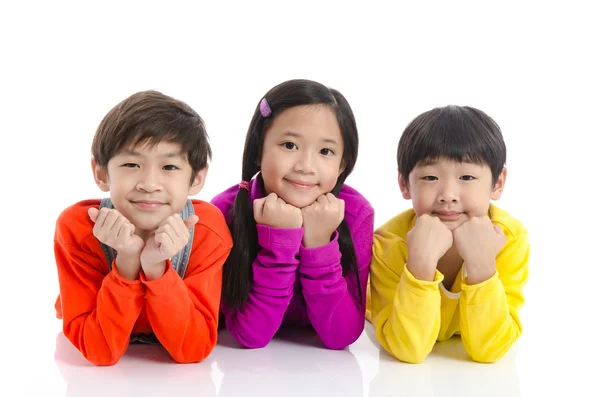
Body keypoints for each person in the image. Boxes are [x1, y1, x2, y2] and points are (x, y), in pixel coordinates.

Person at [53, 90, 232, 365]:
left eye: (169, 166)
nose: (149, 183)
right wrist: (126, 263)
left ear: (196, 178)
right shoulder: (78, 229)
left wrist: (157, 269)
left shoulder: (207, 230)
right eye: (131, 164)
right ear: (101, 173)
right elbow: (99, 350)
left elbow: (193, 349)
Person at [211, 79, 374, 349]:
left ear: (342, 163)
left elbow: (341, 337)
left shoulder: (356, 213)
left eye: (326, 151)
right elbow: (249, 334)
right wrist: (280, 244)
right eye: (289, 145)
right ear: (258, 150)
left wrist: (320, 243)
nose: (306, 166)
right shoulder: (226, 210)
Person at [368, 105, 529, 363]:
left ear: (498, 183)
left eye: (466, 176)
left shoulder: (509, 239)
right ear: (404, 184)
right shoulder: (387, 245)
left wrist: (482, 265)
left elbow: (490, 350)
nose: (448, 195)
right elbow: (408, 349)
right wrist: (420, 265)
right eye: (430, 177)